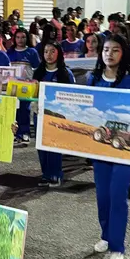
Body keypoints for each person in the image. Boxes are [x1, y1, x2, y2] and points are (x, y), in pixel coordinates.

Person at [88, 34, 130, 259]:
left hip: (124, 154)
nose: (109, 54)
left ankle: (117, 245)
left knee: (117, 194)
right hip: (101, 150)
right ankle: (106, 235)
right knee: (102, 195)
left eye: (115, 50)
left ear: (124, 53)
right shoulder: (93, 78)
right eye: (105, 50)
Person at [34, 42, 74, 187]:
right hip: (39, 113)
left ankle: (56, 175)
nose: (49, 55)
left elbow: (70, 96)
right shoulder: (38, 72)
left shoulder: (65, 73)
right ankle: (45, 174)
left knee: (54, 146)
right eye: (46, 51)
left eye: (52, 51)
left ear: (59, 53)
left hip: (56, 115)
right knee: (41, 146)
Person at [8, 28, 41, 145]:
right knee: (13, 111)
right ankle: (15, 134)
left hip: (27, 87)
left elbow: (37, 69)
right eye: (18, 37)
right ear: (14, 39)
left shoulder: (32, 52)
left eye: (23, 37)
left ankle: (25, 133)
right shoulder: (10, 52)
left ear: (27, 38)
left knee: (25, 110)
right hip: (13, 87)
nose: (20, 40)